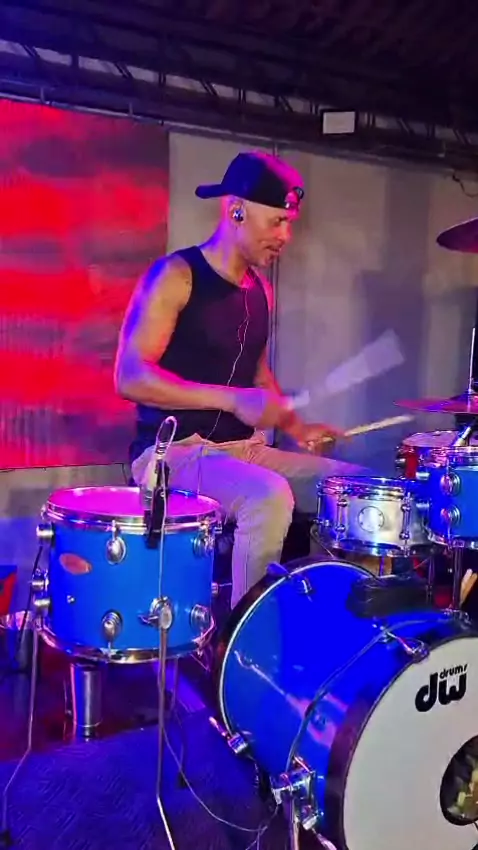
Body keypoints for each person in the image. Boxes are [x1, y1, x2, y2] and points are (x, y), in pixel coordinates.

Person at [115, 151, 363, 607]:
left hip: (244, 449)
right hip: (173, 454)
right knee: (268, 497)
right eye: (277, 222)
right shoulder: (176, 275)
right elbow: (129, 377)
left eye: (290, 223)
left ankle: (334, 623)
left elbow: (258, 373)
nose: (286, 236)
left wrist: (297, 427)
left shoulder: (260, 290)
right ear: (236, 211)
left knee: (355, 490)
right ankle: (244, 640)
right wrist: (230, 400)